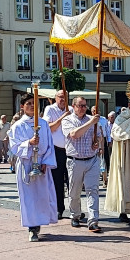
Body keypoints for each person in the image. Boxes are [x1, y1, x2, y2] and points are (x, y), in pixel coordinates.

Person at [9, 93, 58, 242]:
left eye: (34, 103)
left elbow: (50, 145)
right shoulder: (18, 126)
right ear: (22, 106)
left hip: (41, 163)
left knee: (42, 196)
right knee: (29, 198)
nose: (32, 106)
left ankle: (39, 223)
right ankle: (32, 228)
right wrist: (28, 143)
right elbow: (14, 147)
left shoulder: (43, 124)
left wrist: (46, 162)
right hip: (26, 163)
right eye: (29, 103)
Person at [62, 97, 103, 232]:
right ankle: (75, 215)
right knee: (75, 191)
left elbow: (98, 136)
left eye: (85, 106)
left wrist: (96, 142)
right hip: (75, 160)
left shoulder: (92, 120)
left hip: (91, 159)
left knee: (93, 190)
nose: (83, 108)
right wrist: (91, 122)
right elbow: (74, 134)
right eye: (80, 106)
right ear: (73, 106)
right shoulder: (68, 120)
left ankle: (93, 220)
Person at [43, 90, 71, 219]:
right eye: (60, 97)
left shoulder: (71, 109)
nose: (63, 99)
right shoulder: (50, 109)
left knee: (72, 182)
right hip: (56, 149)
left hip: (71, 150)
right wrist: (62, 117)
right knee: (57, 181)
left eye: (65, 97)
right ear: (55, 98)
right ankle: (59, 208)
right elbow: (49, 128)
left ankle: (74, 209)